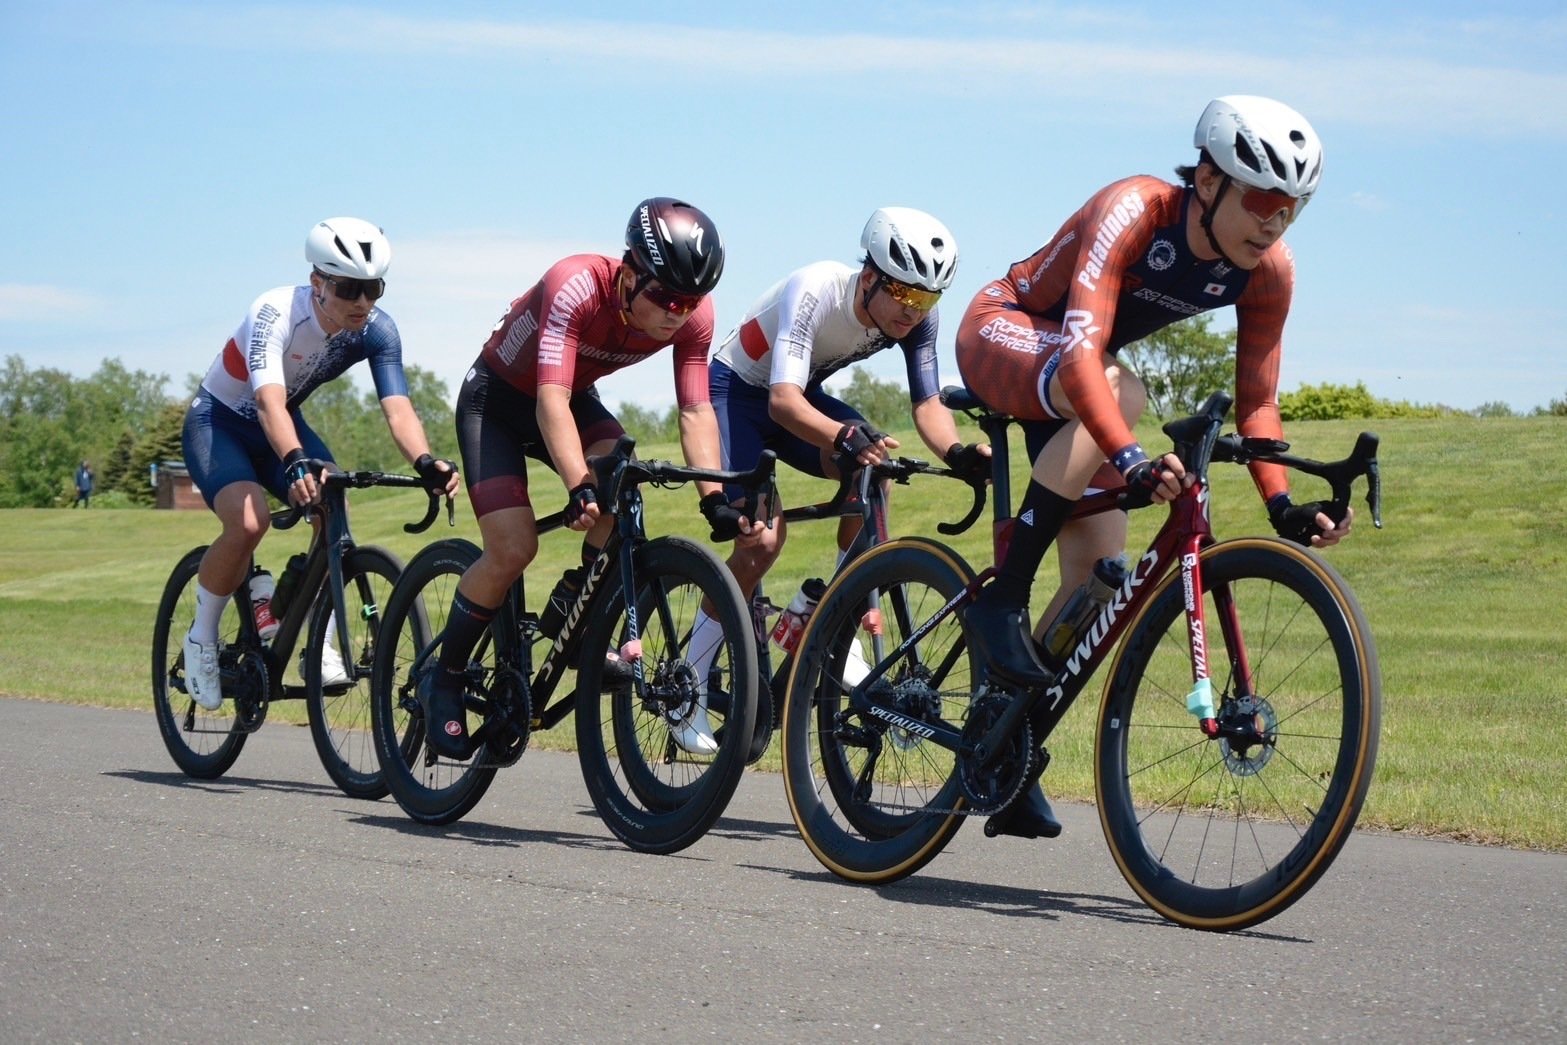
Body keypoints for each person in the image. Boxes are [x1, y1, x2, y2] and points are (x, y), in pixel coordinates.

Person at [955, 95, 1351, 840]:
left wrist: (1283, 506)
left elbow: (1257, 406)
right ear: (1207, 181)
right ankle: (1000, 600)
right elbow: (1079, 356)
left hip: (1077, 383)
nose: (1274, 221)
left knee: (1095, 580)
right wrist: (1130, 456)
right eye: (1263, 198)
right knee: (1119, 387)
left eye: (1291, 208)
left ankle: (1003, 744)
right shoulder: (1134, 208)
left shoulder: (1267, 271)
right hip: (1006, 332)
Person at [420, 197, 763, 760]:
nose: (679, 313)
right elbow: (547, 398)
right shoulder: (575, 284)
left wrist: (715, 500)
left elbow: (696, 411)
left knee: (622, 496)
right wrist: (579, 482)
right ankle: (446, 676)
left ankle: (571, 610)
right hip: (499, 401)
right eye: (666, 298)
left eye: (690, 300)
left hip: (574, 398)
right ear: (629, 275)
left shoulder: (695, 315)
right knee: (513, 547)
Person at [696, 206, 990, 753]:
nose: (913, 312)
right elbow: (783, 401)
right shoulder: (816, 289)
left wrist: (956, 451)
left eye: (927, 300)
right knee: (760, 540)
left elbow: (927, 404)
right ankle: (692, 673)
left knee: (871, 470)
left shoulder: (916, 316)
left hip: (795, 397)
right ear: (871, 275)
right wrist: (841, 436)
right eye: (904, 295)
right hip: (738, 392)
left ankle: (838, 611)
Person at [180, 217, 461, 711]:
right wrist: (292, 462)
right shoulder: (275, 313)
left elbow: (397, 407)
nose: (363, 302)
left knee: (332, 501)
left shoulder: (377, 331)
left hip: (281, 421)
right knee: (249, 522)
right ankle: (201, 640)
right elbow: (267, 403)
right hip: (220, 423)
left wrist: (424, 461)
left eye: (373, 289)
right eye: (350, 289)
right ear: (318, 282)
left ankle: (316, 635)